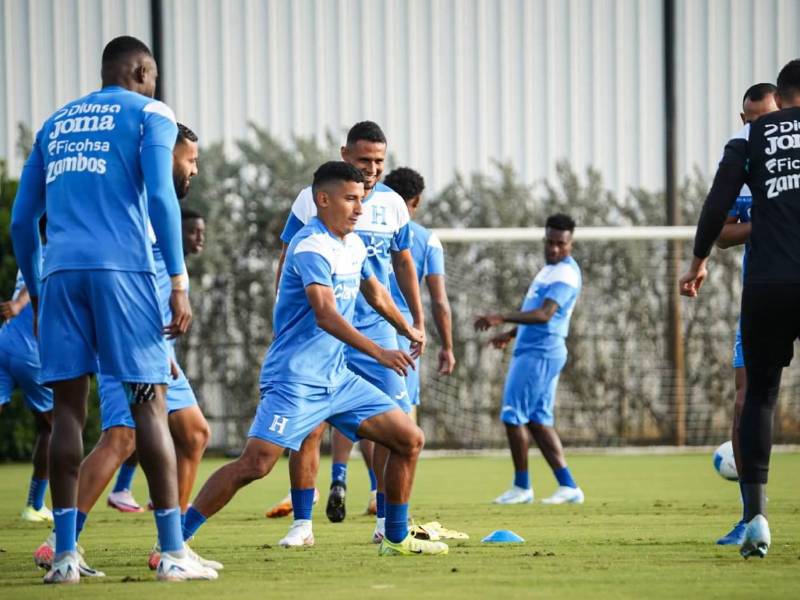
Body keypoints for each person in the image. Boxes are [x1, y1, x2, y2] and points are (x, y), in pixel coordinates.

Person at [10, 36, 212, 582]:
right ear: (142, 70)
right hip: (123, 272)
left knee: (69, 414)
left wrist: (34, 286)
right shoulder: (151, 113)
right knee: (149, 406)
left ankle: (67, 557)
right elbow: (162, 197)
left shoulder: (55, 124)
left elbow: (21, 221)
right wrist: (178, 280)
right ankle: (172, 553)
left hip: (60, 276)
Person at [181, 161, 447, 558]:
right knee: (255, 464)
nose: (359, 208)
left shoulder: (353, 244)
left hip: (337, 379)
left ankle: (394, 538)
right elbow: (325, 314)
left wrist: (408, 327)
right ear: (323, 200)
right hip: (296, 381)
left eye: (361, 199)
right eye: (350, 199)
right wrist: (379, 352)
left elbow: (375, 293)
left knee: (409, 439)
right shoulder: (309, 245)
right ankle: (175, 539)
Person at [266, 122, 425, 545]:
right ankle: (302, 524)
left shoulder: (393, 205)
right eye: (362, 161)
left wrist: (413, 321)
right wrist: (283, 321)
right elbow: (289, 257)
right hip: (326, 336)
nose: (371, 169)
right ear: (344, 156)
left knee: (396, 427)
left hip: (377, 331)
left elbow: (399, 266)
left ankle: (385, 523)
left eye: (378, 162)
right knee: (310, 429)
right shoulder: (311, 200)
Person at [680, 59, 800, 559]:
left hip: (769, 283)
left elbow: (714, 206)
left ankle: (756, 521)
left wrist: (698, 260)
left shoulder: (747, 140)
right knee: (748, 393)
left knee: (760, 398)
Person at [475, 214, 583, 505]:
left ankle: (522, 487)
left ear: (571, 244)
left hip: (540, 352)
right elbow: (534, 311)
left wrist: (500, 318)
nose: (554, 249)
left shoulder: (565, 274)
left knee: (513, 415)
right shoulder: (548, 271)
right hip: (534, 348)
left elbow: (545, 314)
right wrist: (510, 334)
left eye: (561, 244)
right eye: (550, 242)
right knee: (536, 420)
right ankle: (568, 486)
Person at [713, 83, 778, 546]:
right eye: (750, 120)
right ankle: (749, 517)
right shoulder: (742, 167)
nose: (757, 127)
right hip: (759, 296)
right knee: (744, 401)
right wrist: (772, 220)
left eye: (765, 118)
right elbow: (722, 233)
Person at [384, 167, 456, 410]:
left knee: (354, 410)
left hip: (361, 328)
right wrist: (447, 347)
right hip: (404, 332)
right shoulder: (426, 239)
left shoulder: (367, 230)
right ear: (416, 200)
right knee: (396, 414)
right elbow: (439, 302)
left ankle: (343, 452)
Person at [0, 218, 53, 523]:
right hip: (30, 352)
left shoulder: (31, 252)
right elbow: (29, 292)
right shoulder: (55, 254)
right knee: (53, 426)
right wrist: (19, 306)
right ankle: (35, 505)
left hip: (4, 341)